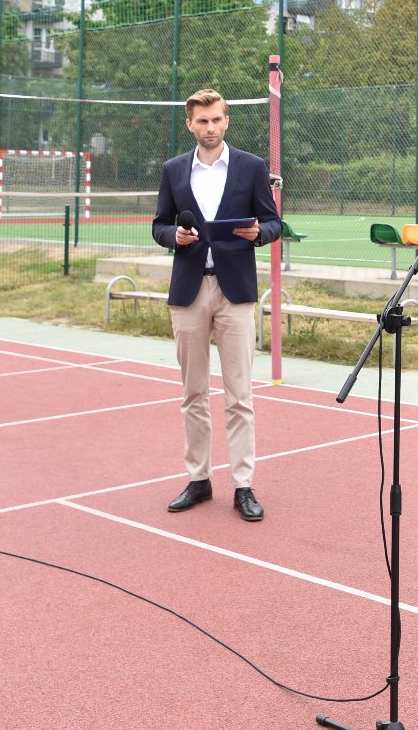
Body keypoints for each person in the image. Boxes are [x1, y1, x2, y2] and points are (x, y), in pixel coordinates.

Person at [151, 88, 283, 523]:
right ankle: (198, 479)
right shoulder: (173, 170)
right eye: (202, 121)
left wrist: (258, 234)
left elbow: (273, 221)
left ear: (227, 121)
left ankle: (243, 485)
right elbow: (158, 225)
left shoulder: (251, 167)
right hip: (189, 290)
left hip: (236, 292)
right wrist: (176, 237)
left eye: (217, 120)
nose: (210, 128)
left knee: (240, 396)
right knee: (193, 393)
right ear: (190, 124)